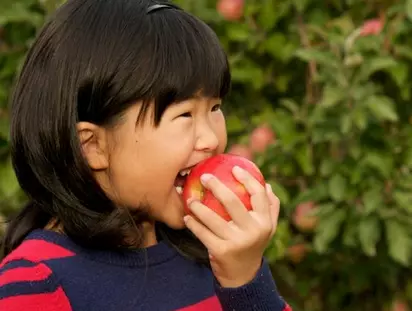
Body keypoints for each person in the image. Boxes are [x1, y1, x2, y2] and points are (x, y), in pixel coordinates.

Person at [0, 0, 292, 310]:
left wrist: (245, 280)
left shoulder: (214, 256)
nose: (211, 139)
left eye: (215, 107)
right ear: (93, 146)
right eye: (184, 115)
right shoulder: (36, 284)